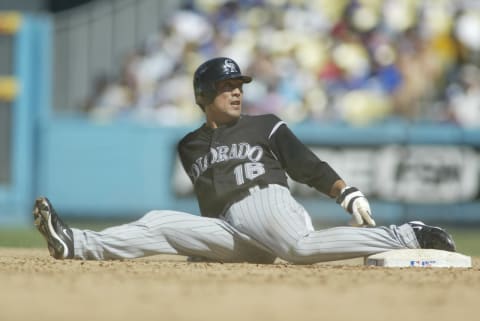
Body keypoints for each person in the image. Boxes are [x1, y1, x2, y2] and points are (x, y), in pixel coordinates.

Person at [33, 57, 456, 263]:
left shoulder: (264, 124)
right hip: (229, 227)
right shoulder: (189, 146)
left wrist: (346, 193)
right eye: (225, 85)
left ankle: (406, 235)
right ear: (203, 96)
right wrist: (205, 245)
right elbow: (209, 199)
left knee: (299, 248)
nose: (236, 91)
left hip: (266, 202)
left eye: (239, 84)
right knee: (160, 224)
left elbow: (306, 164)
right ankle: (75, 244)